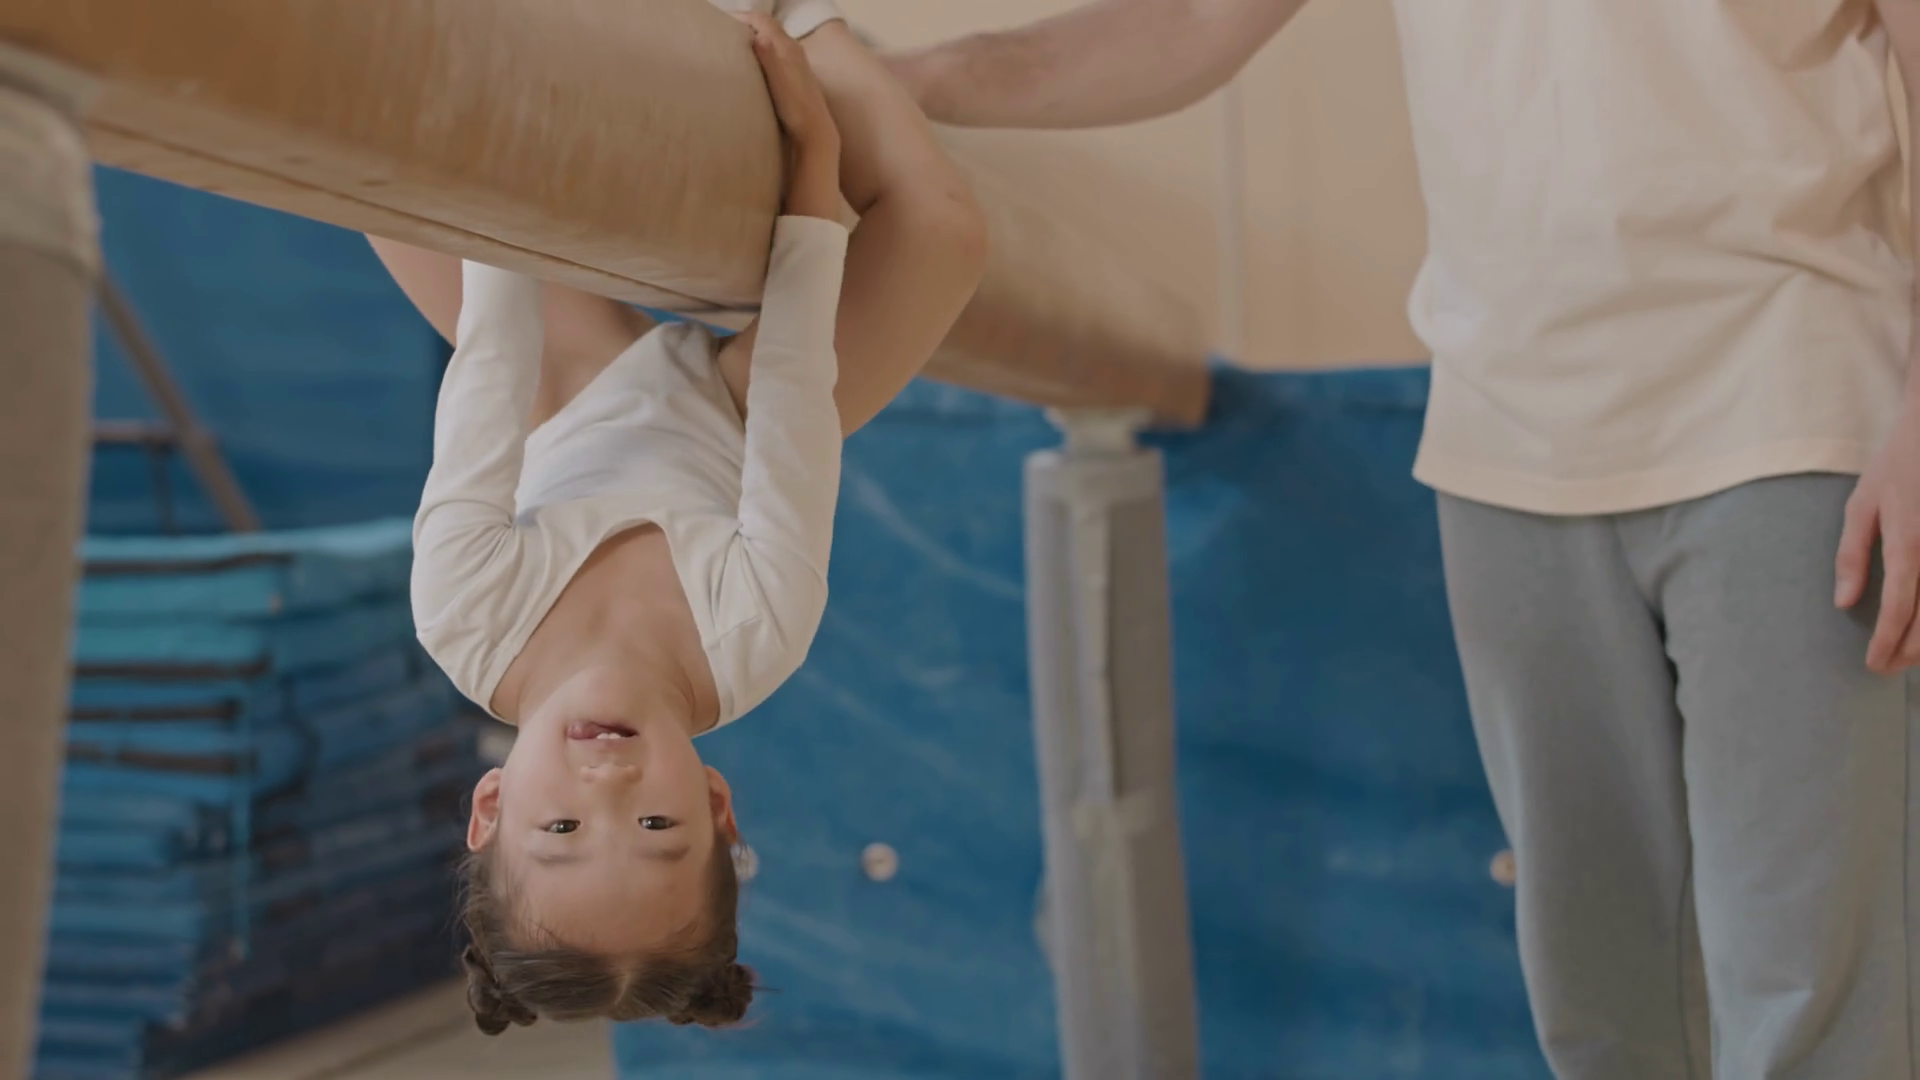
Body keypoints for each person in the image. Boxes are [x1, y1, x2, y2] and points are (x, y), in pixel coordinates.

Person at [887, 2, 1920, 1077]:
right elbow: (1193, 22)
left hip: (1795, 401)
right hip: (1512, 437)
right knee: (1605, 1018)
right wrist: (922, 82)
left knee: (1812, 1009)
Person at [374, 6, 987, 1034]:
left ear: (490, 808)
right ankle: (802, 22)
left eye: (561, 829)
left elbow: (490, 360)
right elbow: (795, 389)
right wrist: (814, 163)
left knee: (378, 152)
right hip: (741, 418)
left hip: (562, 391)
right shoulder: (755, 635)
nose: (607, 783)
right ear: (714, 806)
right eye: (656, 824)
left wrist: (498, 120)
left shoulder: (463, 617)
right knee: (945, 232)